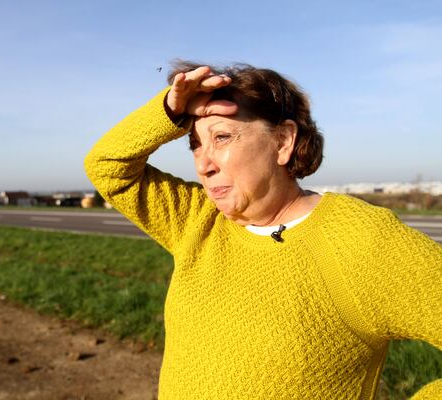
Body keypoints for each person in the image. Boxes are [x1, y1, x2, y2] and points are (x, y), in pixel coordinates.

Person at [84, 61, 442, 399]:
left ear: (283, 141)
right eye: (195, 145)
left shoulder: (363, 241)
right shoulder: (196, 218)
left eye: (222, 137)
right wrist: (168, 111)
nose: (203, 164)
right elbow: (107, 167)